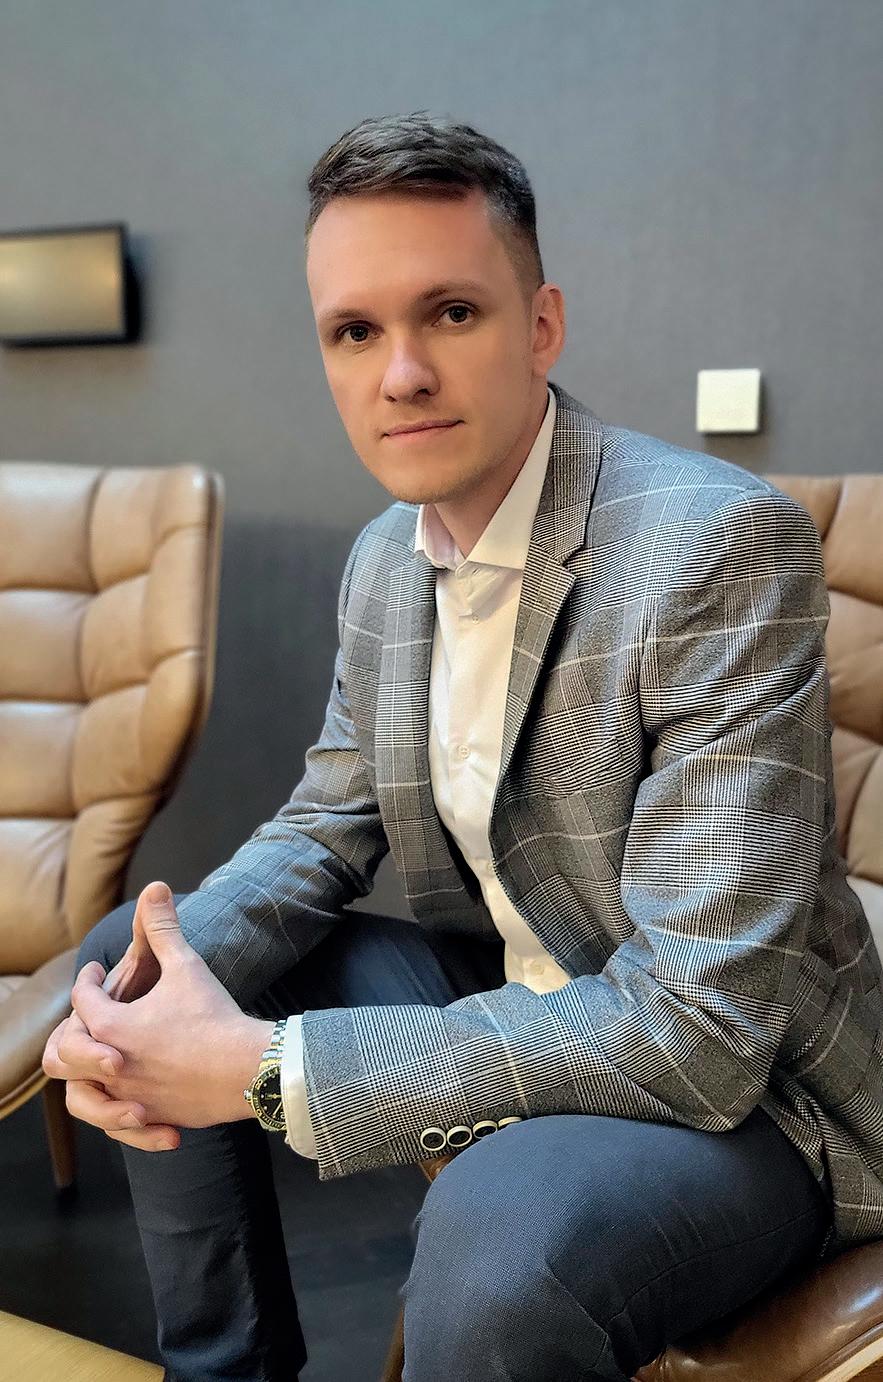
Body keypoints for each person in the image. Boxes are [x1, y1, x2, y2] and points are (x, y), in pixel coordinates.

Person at [42, 112, 883, 1382]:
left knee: (498, 1240)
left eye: (449, 312)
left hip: (753, 1090)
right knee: (144, 958)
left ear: (541, 325)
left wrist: (268, 1068)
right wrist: (121, 1017)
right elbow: (327, 822)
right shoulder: (387, 557)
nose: (401, 374)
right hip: (525, 981)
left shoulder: (717, 544)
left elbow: (701, 1023)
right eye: (354, 330)